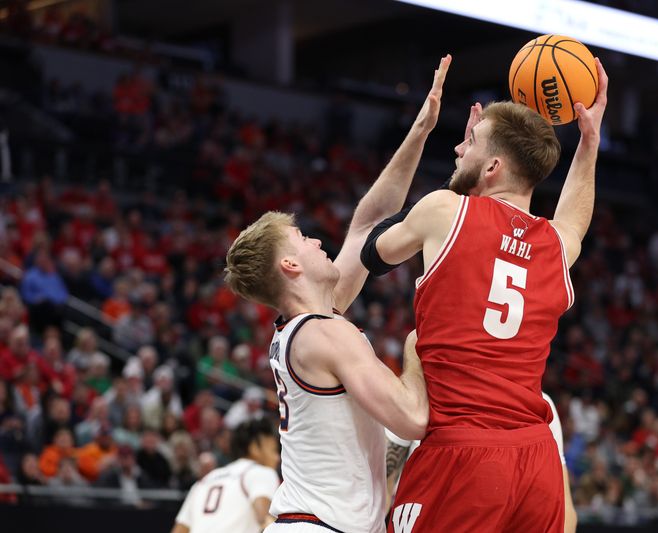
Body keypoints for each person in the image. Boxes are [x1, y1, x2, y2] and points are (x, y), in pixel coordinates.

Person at [361, 59, 608, 532]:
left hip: (465, 452)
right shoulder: (554, 244)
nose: (458, 147)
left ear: (493, 166)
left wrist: (429, 146)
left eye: (469, 142)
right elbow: (575, 219)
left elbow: (372, 249)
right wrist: (590, 141)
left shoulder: (443, 210)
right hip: (536, 461)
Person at [222, 56, 453, 533]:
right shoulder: (325, 334)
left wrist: (420, 130)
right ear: (290, 266)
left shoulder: (312, 325)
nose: (318, 241)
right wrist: (416, 347)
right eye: (304, 239)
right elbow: (412, 417)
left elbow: (369, 221)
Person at [386, 392, 577, 533]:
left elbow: (564, 510)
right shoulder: (423, 390)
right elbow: (384, 480)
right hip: (426, 513)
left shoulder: (539, 403)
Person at [171, 419, 281, 533]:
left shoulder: (205, 480)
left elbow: (179, 530)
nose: (277, 458)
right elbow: (265, 519)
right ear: (255, 448)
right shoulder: (261, 472)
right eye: (273, 450)